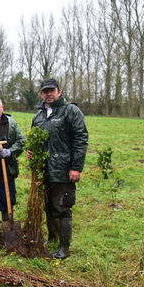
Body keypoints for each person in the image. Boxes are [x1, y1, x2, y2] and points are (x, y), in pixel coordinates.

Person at [27, 78, 89, 259]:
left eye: (52, 90)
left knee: (62, 207)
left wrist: (76, 167)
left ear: (59, 92)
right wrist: (31, 151)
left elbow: (81, 139)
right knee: (48, 205)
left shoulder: (70, 111)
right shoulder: (38, 116)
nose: (49, 94)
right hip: (44, 170)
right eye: (45, 91)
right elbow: (34, 140)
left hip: (63, 169)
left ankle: (64, 248)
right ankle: (52, 238)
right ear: (41, 94)